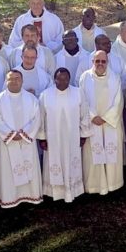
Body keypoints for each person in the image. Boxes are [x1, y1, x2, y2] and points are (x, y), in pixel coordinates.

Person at [0, 70, 43, 208]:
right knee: (8, 173)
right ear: (6, 81)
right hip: (8, 144)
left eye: (17, 78)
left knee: (28, 167)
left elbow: (37, 118)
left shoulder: (31, 99)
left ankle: (30, 196)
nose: (14, 81)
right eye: (10, 79)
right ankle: (9, 198)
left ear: (22, 80)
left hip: (26, 142)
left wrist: (24, 134)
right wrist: (12, 135)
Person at [38, 68, 87, 203]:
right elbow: (41, 118)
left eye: (66, 78)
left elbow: (84, 115)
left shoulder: (78, 93)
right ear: (55, 79)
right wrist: (42, 138)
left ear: (69, 79)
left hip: (73, 138)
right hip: (53, 140)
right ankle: (55, 192)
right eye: (60, 78)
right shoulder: (46, 95)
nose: (63, 81)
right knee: (54, 163)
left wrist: (83, 135)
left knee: (72, 162)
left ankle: (73, 190)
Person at [80, 51, 125, 195]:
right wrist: (93, 116)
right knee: (93, 156)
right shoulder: (84, 77)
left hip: (110, 123)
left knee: (111, 154)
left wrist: (105, 118)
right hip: (92, 123)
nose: (100, 64)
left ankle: (113, 184)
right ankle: (95, 186)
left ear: (107, 62)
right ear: (92, 61)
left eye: (103, 61)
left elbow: (119, 101)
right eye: (97, 61)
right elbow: (82, 100)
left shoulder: (115, 77)